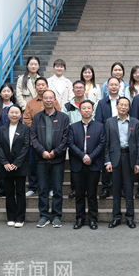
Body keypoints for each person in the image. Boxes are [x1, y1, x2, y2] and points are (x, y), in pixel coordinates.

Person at [30, 90, 70, 229]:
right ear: (42, 100)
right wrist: (42, 151)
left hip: (57, 159)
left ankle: (57, 216)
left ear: (55, 100)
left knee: (57, 189)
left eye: (50, 98)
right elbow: (33, 136)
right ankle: (44, 216)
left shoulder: (64, 117)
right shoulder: (37, 117)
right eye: (45, 98)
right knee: (42, 189)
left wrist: (55, 152)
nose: (48, 100)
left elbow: (66, 137)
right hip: (41, 158)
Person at [67, 100, 105, 230]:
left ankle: (93, 219)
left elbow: (102, 144)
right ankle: (80, 219)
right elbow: (70, 144)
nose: (86, 110)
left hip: (94, 164)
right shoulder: (73, 127)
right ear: (80, 111)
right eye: (84, 108)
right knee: (79, 194)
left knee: (92, 194)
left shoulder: (100, 127)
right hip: (78, 164)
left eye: (89, 108)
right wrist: (83, 156)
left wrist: (91, 157)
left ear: (93, 111)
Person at [104, 97, 139, 229]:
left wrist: (138, 162)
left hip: (129, 157)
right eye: (121, 104)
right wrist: (107, 161)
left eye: (126, 105)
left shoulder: (135, 122)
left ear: (129, 107)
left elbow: (138, 144)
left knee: (129, 189)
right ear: (116, 106)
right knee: (116, 189)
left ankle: (130, 217)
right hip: (114, 157)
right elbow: (106, 143)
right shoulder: (109, 122)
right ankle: (116, 217)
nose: (123, 107)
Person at [23, 77, 61, 197]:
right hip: (34, 140)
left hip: (51, 140)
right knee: (33, 165)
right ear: (35, 88)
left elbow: (58, 117)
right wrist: (38, 129)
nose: (41, 87)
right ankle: (33, 187)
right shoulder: (30, 103)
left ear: (47, 86)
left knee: (50, 165)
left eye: (43, 84)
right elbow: (26, 119)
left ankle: (50, 187)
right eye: (38, 85)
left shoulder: (54, 102)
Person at [0, 105, 30, 228]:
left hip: (20, 165)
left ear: (20, 115)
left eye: (17, 112)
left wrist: (16, 163)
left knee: (20, 192)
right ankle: (11, 217)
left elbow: (26, 146)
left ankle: (20, 218)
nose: (14, 114)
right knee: (9, 192)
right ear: (7, 114)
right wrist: (5, 162)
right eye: (12, 112)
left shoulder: (25, 129)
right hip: (6, 166)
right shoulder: (2, 129)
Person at [62, 80, 95, 199]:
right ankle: (75, 188)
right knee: (74, 165)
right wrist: (75, 129)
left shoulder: (91, 104)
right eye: (76, 88)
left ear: (85, 89)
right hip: (74, 139)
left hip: (89, 137)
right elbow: (65, 122)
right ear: (73, 90)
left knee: (88, 164)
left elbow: (93, 119)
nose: (79, 89)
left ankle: (87, 189)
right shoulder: (67, 105)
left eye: (81, 87)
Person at [0, 83, 18, 198]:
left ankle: (11, 189)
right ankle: (0, 190)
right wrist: (2, 133)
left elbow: (19, 121)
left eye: (8, 91)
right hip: (0, 141)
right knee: (1, 166)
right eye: (4, 91)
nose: (6, 93)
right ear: (0, 93)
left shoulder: (15, 107)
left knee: (12, 164)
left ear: (12, 93)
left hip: (14, 140)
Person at [95, 77, 121, 198]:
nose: (114, 87)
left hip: (122, 135)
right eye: (111, 85)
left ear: (120, 87)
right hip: (106, 135)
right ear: (107, 87)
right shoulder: (102, 103)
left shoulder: (124, 101)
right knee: (106, 161)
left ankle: (120, 188)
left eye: (116, 84)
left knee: (120, 162)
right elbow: (98, 121)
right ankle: (106, 188)